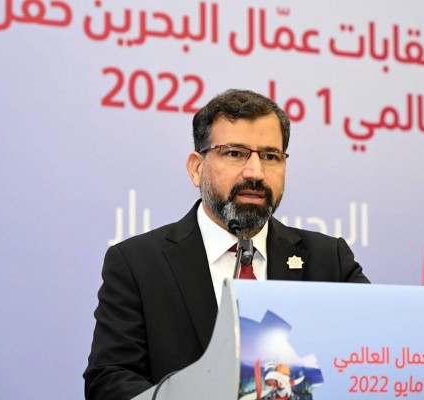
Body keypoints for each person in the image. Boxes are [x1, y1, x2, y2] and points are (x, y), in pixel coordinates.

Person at [83, 89, 369, 400]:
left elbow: (373, 354)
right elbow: (109, 381)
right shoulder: (138, 263)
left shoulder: (329, 260)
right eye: (235, 153)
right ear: (197, 168)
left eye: (270, 156)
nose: (255, 172)